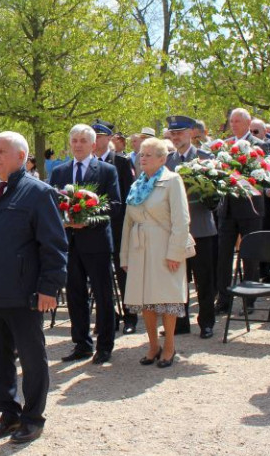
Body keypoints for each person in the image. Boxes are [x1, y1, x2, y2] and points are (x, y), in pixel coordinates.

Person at [0, 131, 68, 444]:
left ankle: (33, 417)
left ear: (21, 157)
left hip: (23, 293)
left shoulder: (38, 193)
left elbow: (54, 245)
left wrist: (49, 287)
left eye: (3, 152)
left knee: (32, 356)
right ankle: (8, 413)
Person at [49, 123, 121, 365]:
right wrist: (64, 220)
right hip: (69, 243)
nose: (78, 144)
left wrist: (87, 219)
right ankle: (81, 343)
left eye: (83, 140)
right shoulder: (59, 172)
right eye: (74, 140)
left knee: (103, 294)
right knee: (75, 294)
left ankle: (105, 345)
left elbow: (114, 205)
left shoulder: (107, 170)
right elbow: (51, 204)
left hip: (97, 241)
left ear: (93, 145)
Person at [121, 137, 192, 368]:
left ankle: (169, 345)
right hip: (139, 249)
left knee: (166, 298)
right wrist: (124, 256)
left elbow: (181, 219)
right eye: (141, 154)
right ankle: (153, 345)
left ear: (162, 159)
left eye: (149, 154)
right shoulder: (137, 184)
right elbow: (127, 223)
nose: (143, 158)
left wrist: (175, 252)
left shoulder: (172, 180)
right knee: (145, 300)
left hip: (164, 247)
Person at [166, 116, 218, 339]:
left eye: (180, 132)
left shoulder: (206, 158)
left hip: (201, 227)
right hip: (175, 231)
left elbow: (217, 195)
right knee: (178, 279)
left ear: (191, 132)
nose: (176, 137)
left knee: (204, 279)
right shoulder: (167, 161)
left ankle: (206, 322)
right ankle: (180, 321)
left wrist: (210, 198)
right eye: (173, 133)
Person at [214, 109, 267, 315]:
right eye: (232, 121)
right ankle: (223, 299)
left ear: (248, 122)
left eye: (238, 121)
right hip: (227, 208)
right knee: (224, 256)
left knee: (250, 255)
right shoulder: (224, 145)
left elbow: (263, 176)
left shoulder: (259, 145)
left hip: (250, 207)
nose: (234, 124)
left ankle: (249, 299)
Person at [94, 120, 136, 332]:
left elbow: (130, 195)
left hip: (118, 225)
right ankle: (108, 316)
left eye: (99, 136)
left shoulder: (120, 161)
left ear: (109, 138)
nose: (95, 140)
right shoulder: (86, 163)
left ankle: (130, 316)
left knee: (123, 272)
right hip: (95, 228)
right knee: (100, 276)